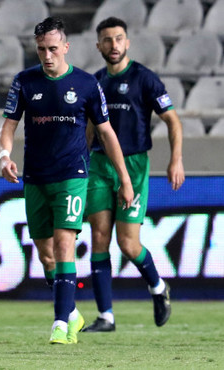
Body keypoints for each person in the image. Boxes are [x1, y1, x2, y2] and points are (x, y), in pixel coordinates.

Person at [0, 16, 134, 345]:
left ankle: (60, 323)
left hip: (73, 176)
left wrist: (124, 179)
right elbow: (9, 126)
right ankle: (72, 312)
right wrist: (4, 156)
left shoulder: (87, 84)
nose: (47, 56)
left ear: (66, 47)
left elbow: (106, 133)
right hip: (35, 178)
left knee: (64, 246)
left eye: (53, 49)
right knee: (45, 255)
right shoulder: (24, 81)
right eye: (42, 49)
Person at [82, 17, 185, 332]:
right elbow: (89, 129)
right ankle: (106, 317)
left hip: (135, 165)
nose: (114, 45)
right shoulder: (95, 82)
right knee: (98, 236)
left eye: (119, 39)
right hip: (100, 165)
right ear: (98, 45)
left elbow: (172, 120)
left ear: (127, 43)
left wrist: (175, 160)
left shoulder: (145, 78)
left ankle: (158, 287)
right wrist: (80, 162)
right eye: (107, 40)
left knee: (127, 244)